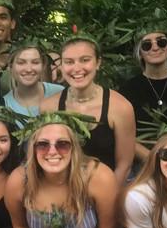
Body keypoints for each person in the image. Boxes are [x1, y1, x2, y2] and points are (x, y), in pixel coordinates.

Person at [41, 33, 135, 186]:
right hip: (62, 188)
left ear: (98, 63)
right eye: (69, 62)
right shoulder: (48, 107)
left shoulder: (120, 107)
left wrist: (106, 198)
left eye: (85, 60)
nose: (77, 68)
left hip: (107, 188)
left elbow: (124, 165)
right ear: (62, 66)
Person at [118, 29, 167, 164]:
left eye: (161, 42)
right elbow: (123, 135)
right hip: (142, 162)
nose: (155, 47)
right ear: (140, 53)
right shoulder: (128, 89)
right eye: (147, 45)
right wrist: (153, 160)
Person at [2, 42, 64, 116]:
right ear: (11, 67)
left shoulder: (60, 93)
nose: (29, 69)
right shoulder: (3, 105)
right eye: (21, 63)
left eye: (35, 62)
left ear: (43, 66)